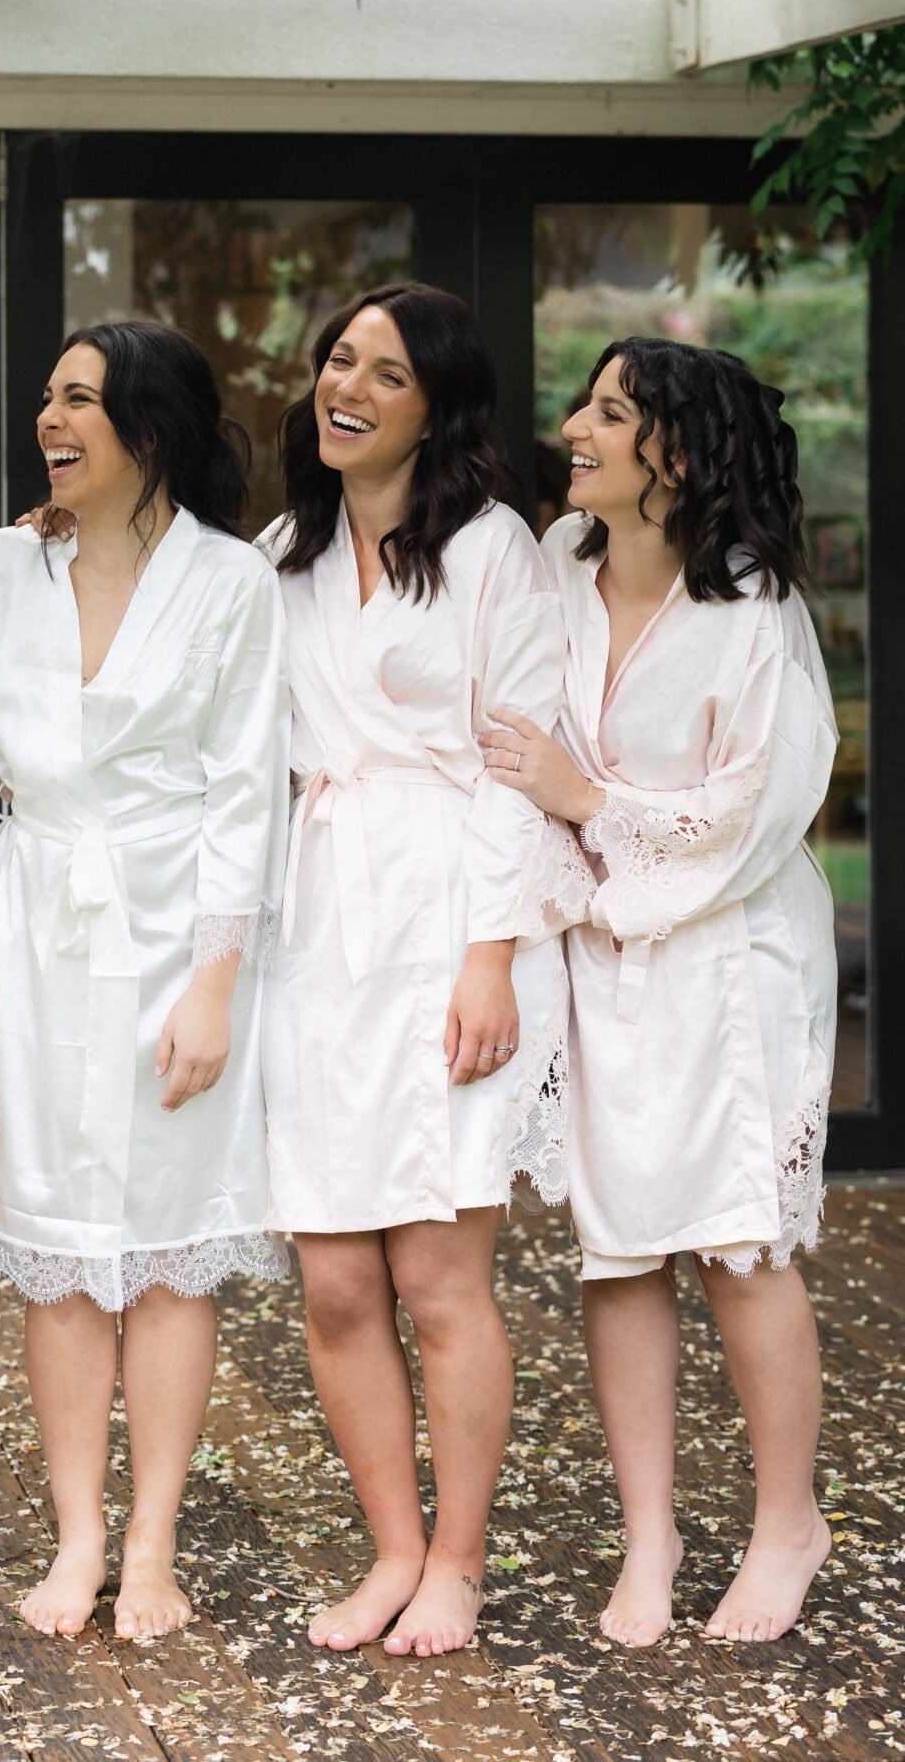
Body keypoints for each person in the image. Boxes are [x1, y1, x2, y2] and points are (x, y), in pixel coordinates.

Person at [481, 336, 838, 1648]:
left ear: (676, 455)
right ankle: (651, 1536)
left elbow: (757, 811)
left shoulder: (753, 612)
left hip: (731, 956)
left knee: (740, 1243)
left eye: (608, 412)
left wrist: (587, 802)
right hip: (599, 954)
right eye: (583, 405)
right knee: (620, 1249)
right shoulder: (552, 569)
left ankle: (787, 1522)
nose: (574, 429)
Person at [261, 283, 590, 1659]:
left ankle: (457, 1561)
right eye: (340, 361)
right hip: (320, 929)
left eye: (385, 374)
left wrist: (491, 959)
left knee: (441, 1278)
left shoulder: (494, 551)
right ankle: (392, 1548)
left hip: (456, 918)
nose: (348, 388)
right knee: (337, 1281)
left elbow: (516, 765)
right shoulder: (283, 550)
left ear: (438, 407)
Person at [0, 321, 289, 1644]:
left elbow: (245, 794)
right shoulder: (1, 566)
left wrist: (213, 984)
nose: (48, 417)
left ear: (148, 429)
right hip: (37, 924)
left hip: (173, 928)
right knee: (55, 1247)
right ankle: (77, 1537)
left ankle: (152, 1545)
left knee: (166, 1250)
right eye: (46, 396)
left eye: (78, 398)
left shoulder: (231, 583)